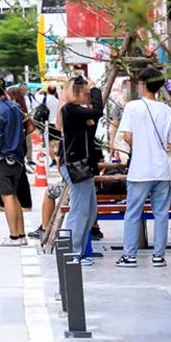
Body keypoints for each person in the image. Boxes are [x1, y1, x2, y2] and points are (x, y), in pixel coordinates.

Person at [116, 67, 171, 268]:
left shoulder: (132, 107)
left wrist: (141, 143)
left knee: (133, 212)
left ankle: (129, 256)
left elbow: (127, 136)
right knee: (161, 213)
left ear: (143, 84)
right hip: (162, 171)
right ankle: (158, 256)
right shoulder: (167, 111)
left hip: (140, 171)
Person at [56, 77, 103, 264]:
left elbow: (94, 117)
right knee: (80, 209)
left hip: (82, 164)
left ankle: (80, 252)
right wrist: (96, 90)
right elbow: (98, 111)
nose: (88, 98)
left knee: (90, 210)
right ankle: (74, 252)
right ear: (78, 93)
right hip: (76, 164)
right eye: (86, 94)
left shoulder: (77, 111)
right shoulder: (70, 109)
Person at [0, 80, 29, 246]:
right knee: (14, 196)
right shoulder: (16, 107)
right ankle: (21, 234)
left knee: (7, 196)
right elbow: (27, 128)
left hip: (4, 158)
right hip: (18, 157)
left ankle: (14, 236)